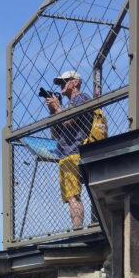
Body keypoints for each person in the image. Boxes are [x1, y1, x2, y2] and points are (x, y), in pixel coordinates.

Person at [45, 70, 93, 229]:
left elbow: (69, 121)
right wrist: (53, 112)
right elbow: (56, 133)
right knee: (72, 196)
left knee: (82, 194)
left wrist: (58, 109)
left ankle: (80, 227)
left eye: (64, 82)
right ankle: (77, 227)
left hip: (77, 151)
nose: (61, 86)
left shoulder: (82, 98)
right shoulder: (65, 106)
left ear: (75, 82)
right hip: (65, 154)